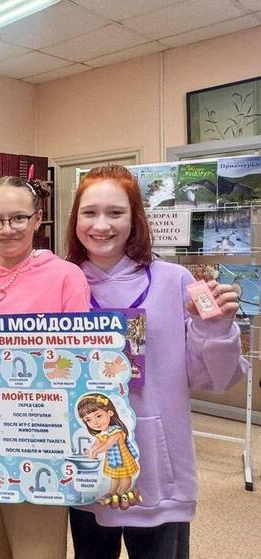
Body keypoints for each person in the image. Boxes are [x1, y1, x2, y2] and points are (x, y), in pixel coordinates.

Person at [66, 164, 248, 559]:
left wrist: (216, 327)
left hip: (161, 471)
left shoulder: (174, 280)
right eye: (89, 212)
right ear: (75, 219)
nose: (101, 225)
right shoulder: (64, 283)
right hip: (88, 466)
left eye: (116, 212)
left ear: (135, 218)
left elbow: (216, 379)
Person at [0, 175, 90, 559]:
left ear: (37, 219)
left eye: (18, 218)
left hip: (41, 439)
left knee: (38, 550)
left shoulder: (66, 276)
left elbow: (81, 366)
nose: (6, 229)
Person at [77, 393, 139, 504]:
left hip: (123, 459)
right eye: (88, 420)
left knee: (125, 477)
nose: (94, 422)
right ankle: (111, 493)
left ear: (110, 413)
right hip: (112, 460)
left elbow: (107, 445)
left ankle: (121, 492)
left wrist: (96, 452)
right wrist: (90, 450)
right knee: (114, 477)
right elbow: (97, 443)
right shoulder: (103, 432)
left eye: (98, 416)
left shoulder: (116, 431)